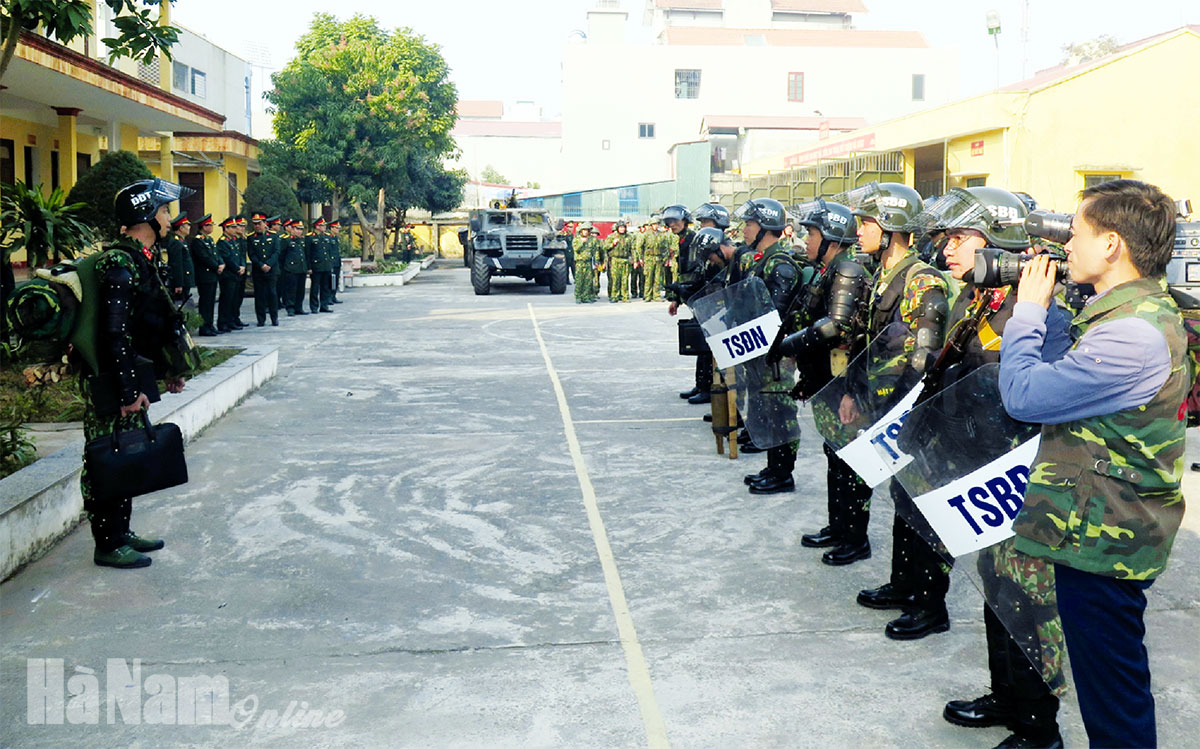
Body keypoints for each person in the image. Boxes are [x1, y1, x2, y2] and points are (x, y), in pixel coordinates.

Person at [999, 179, 1186, 748]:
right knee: (1111, 686)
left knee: (1115, 702)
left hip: (1106, 536)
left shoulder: (1132, 333)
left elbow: (1025, 396)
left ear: (1112, 246)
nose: (1066, 247)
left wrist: (1028, 314)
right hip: (1096, 524)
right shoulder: (1130, 312)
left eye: (1076, 234)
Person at [905, 187, 1066, 748]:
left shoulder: (1042, 311)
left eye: (960, 238)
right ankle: (1008, 697)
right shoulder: (983, 300)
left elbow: (1042, 400)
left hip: (1023, 484)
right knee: (998, 590)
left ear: (995, 240)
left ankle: (1039, 728)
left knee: (1028, 600)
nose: (947, 250)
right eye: (946, 238)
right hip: (982, 471)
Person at [846, 183, 952, 639]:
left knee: (925, 505)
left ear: (890, 228)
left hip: (913, 411)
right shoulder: (884, 275)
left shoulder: (922, 280)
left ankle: (930, 606)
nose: (859, 230)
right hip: (886, 407)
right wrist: (856, 392)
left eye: (867, 222)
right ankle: (904, 584)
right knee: (902, 499)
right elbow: (868, 342)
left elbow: (922, 360)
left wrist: (903, 415)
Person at [83, 179, 191, 568]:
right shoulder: (120, 262)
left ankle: (121, 531)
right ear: (147, 215)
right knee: (106, 458)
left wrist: (165, 372)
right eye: (164, 211)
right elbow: (114, 333)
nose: (169, 217)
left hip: (127, 371)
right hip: (110, 378)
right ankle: (107, 543)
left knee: (125, 455)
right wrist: (129, 391)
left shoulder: (141, 257)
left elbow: (147, 324)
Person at [775, 200, 871, 549]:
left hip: (842, 382)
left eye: (813, 233)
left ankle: (854, 536)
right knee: (835, 456)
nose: (807, 239)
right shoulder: (828, 268)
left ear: (831, 237)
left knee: (849, 461)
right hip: (825, 380)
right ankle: (838, 526)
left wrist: (789, 345)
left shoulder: (847, 269)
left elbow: (836, 325)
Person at [731, 197, 805, 493]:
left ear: (765, 228)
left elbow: (776, 316)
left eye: (749, 224)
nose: (744, 230)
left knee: (780, 412)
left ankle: (783, 473)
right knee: (765, 407)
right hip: (760, 353)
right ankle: (773, 466)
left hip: (776, 356)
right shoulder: (761, 260)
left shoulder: (781, 265)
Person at [188, 214, 222, 336]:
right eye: (210, 225)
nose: (212, 227)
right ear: (204, 226)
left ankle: (209, 324)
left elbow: (215, 255)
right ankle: (204, 327)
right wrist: (216, 266)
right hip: (204, 275)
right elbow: (204, 257)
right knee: (205, 303)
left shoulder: (209, 239)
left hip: (212, 275)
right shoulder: (198, 241)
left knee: (211, 302)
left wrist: (220, 264)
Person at [247, 213, 281, 327]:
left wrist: (269, 264)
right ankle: (261, 319)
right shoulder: (251, 237)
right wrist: (261, 265)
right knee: (259, 295)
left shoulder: (274, 236)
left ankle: (274, 318)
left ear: (265, 223)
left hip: (271, 270)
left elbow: (276, 252)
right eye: (255, 224)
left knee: (272, 294)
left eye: (259, 223)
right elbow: (251, 254)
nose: (257, 226)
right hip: (258, 270)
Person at [216, 217, 245, 333]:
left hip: (236, 274)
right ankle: (223, 323)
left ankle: (231, 321)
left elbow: (240, 255)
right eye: (232, 227)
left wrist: (242, 266)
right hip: (228, 275)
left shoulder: (233, 240)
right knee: (226, 300)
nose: (235, 229)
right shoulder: (222, 242)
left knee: (234, 300)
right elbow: (227, 258)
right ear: (225, 228)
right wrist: (237, 268)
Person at [280, 219, 309, 317]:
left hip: (301, 268)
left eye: (301, 229)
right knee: (291, 290)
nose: (299, 231)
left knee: (301, 290)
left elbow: (305, 254)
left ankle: (299, 307)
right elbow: (281, 256)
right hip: (291, 269)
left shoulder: (302, 240)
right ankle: (290, 308)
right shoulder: (286, 240)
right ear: (292, 229)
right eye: (297, 229)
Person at [165, 213, 194, 303]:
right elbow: (176, 264)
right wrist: (178, 284)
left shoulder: (182, 241)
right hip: (181, 282)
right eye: (187, 225)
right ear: (181, 228)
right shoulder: (176, 242)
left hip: (185, 280)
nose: (189, 227)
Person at [307, 218, 334, 313]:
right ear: (317, 226)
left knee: (325, 287)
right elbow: (308, 254)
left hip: (326, 266)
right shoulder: (310, 237)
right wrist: (309, 267)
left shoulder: (327, 237)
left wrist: (330, 265)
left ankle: (324, 305)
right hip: (316, 267)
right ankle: (314, 307)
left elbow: (329, 252)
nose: (324, 227)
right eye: (322, 225)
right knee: (315, 288)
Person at [606, 221, 634, 302]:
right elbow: (605, 247)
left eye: (623, 227)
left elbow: (633, 249)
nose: (622, 229)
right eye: (620, 227)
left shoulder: (629, 237)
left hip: (625, 259)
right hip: (615, 259)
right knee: (615, 279)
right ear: (617, 228)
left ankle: (625, 296)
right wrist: (613, 244)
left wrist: (634, 260)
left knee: (625, 279)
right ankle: (614, 296)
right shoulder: (612, 236)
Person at [573, 223, 601, 303]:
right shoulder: (577, 239)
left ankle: (586, 296)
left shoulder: (592, 239)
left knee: (588, 280)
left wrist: (596, 261)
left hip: (588, 262)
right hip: (580, 262)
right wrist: (582, 242)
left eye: (587, 230)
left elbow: (595, 251)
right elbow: (576, 249)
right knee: (579, 280)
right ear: (581, 231)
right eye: (584, 230)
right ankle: (578, 297)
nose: (585, 232)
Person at [641, 219, 665, 301]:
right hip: (649, 258)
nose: (656, 226)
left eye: (657, 224)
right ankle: (647, 295)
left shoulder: (661, 234)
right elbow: (639, 246)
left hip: (658, 258)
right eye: (654, 224)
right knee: (649, 277)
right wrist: (641, 258)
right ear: (651, 225)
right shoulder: (646, 234)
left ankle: (656, 295)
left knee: (657, 278)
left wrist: (664, 257)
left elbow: (665, 246)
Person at [329, 219, 344, 304]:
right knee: (330, 281)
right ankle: (329, 297)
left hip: (337, 262)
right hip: (331, 263)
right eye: (336, 228)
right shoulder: (329, 238)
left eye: (338, 228)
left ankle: (333, 296)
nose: (338, 229)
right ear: (332, 228)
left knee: (336, 280)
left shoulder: (335, 238)